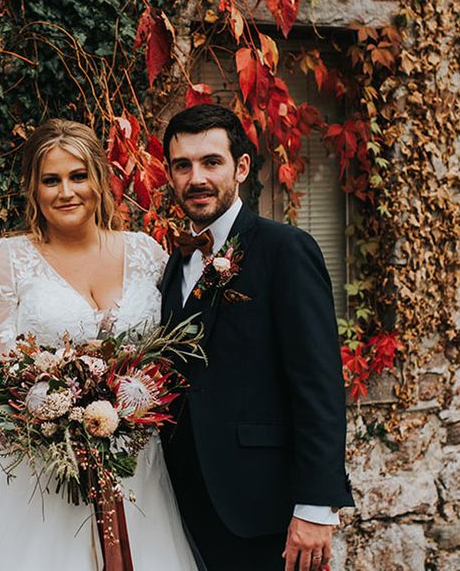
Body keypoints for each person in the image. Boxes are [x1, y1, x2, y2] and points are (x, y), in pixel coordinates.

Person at [0, 119, 199, 570]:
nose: (66, 192)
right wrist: (58, 418)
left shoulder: (147, 254)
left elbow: (171, 360)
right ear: (33, 190)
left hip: (137, 472)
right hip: (38, 478)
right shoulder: (6, 261)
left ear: (100, 179)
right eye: (51, 180)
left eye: (78, 176)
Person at [159, 103, 353, 571]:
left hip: (264, 508)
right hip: (184, 503)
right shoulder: (175, 264)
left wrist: (316, 507)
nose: (196, 178)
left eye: (211, 162)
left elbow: (319, 385)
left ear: (241, 167)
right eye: (183, 165)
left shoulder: (285, 249)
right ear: (169, 174)